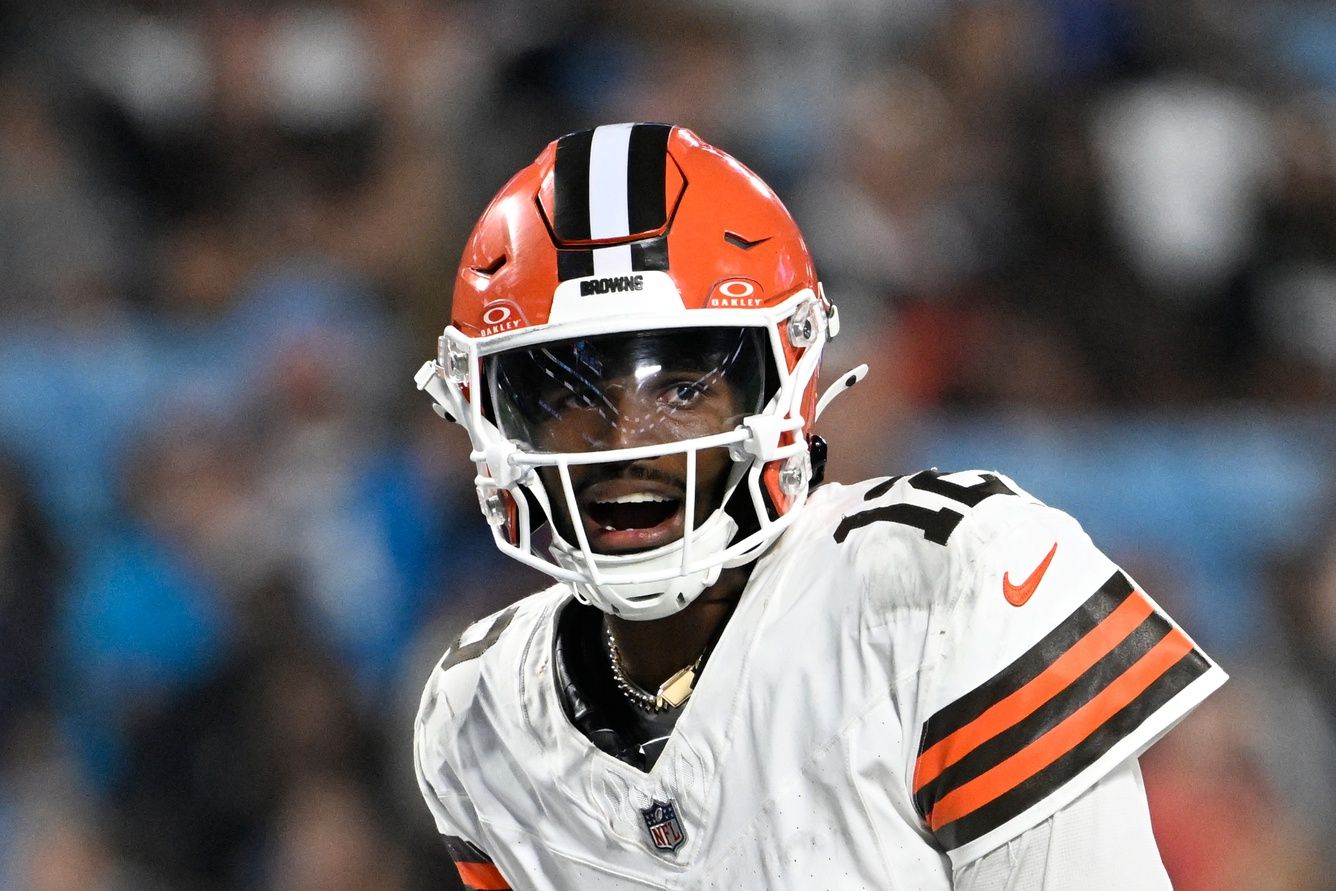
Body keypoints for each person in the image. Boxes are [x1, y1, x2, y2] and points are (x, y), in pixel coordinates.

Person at [411, 123, 1226, 890]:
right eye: (565, 393)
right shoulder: (475, 716)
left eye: (686, 387)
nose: (628, 439)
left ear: (783, 379)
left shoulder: (945, 584)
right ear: (483, 410)